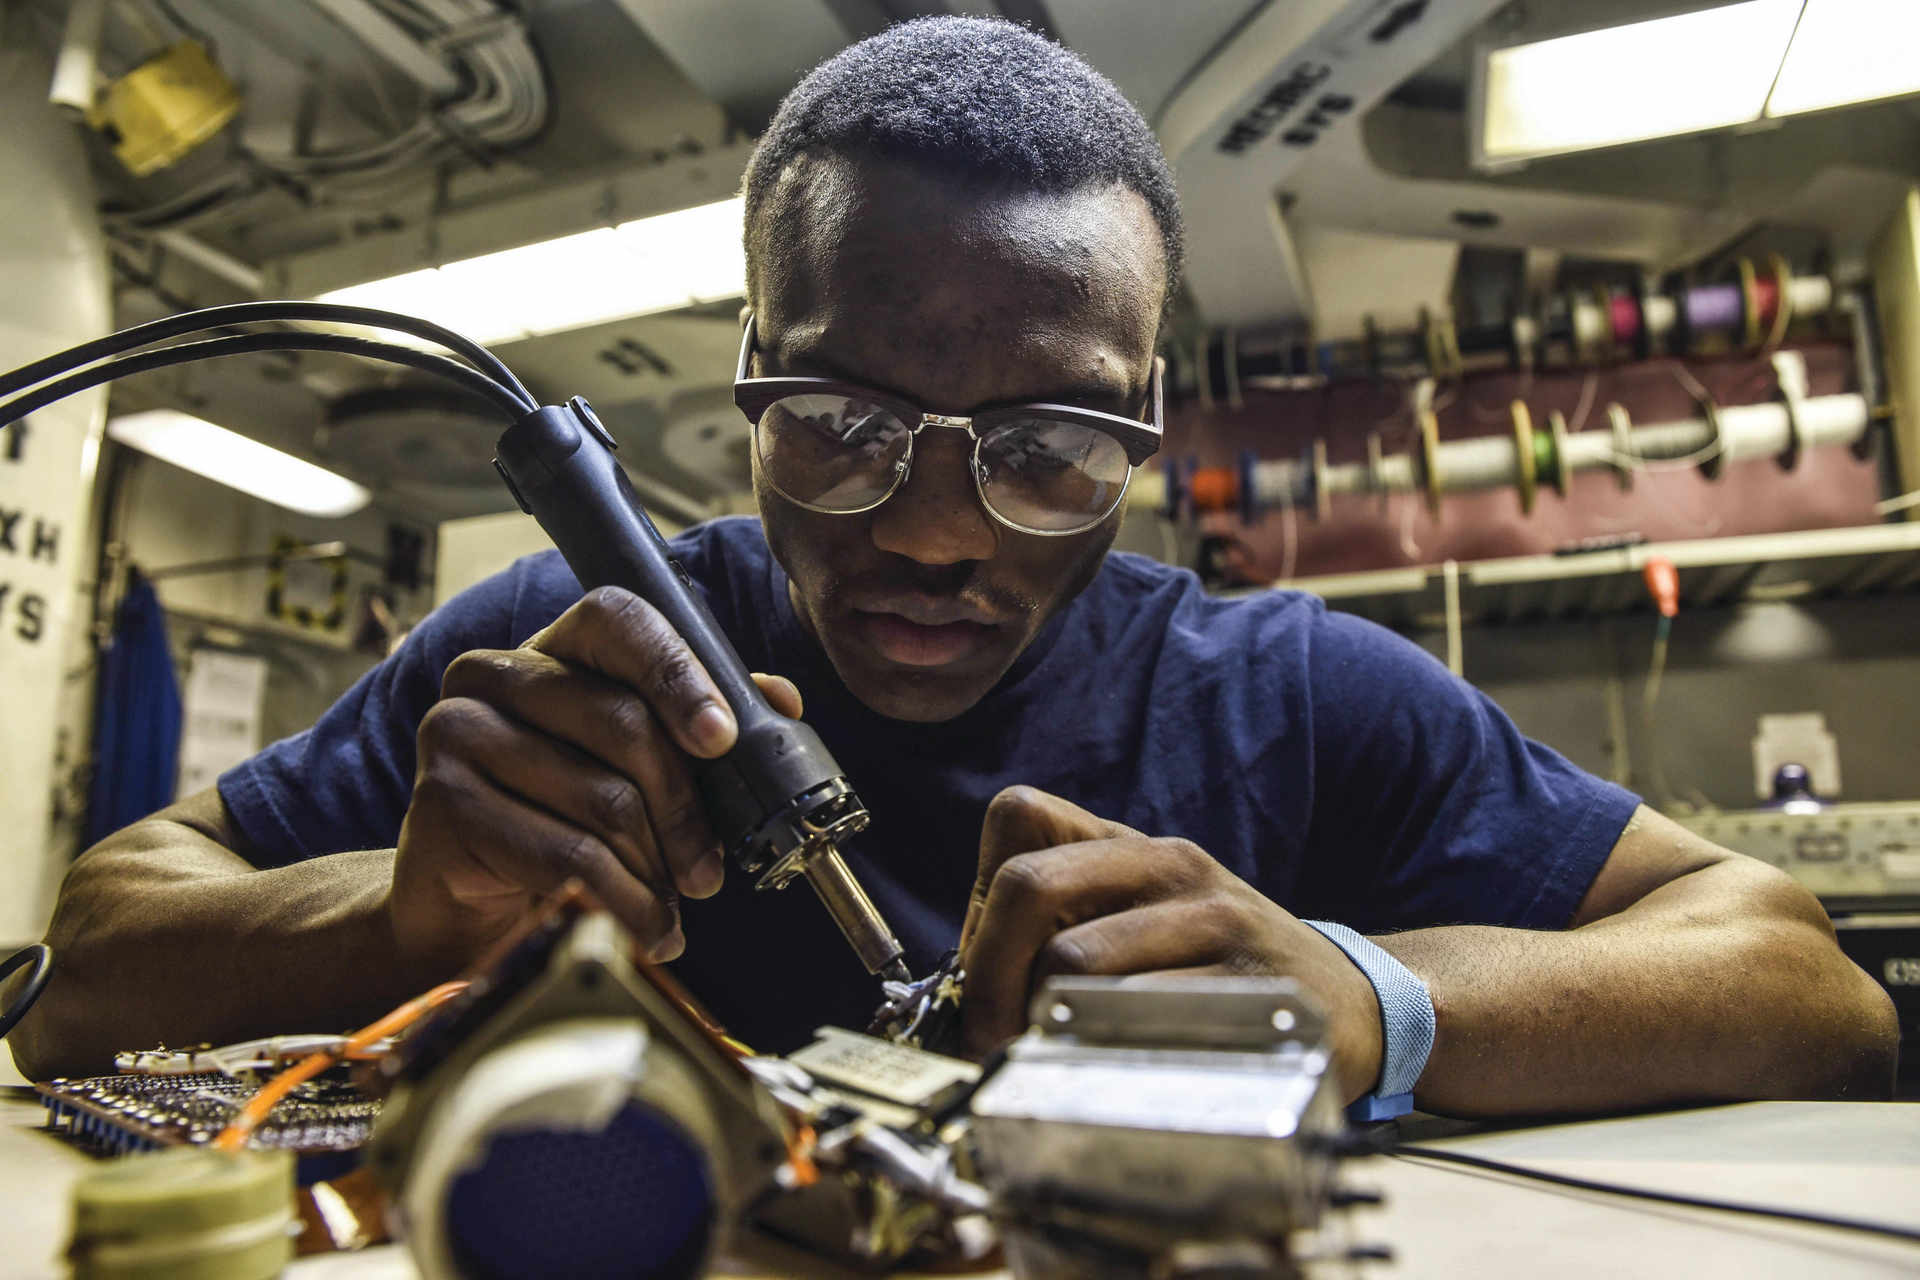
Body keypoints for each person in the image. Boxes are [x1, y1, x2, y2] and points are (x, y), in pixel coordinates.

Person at [13, 17, 1896, 1113]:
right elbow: (83, 962)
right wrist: (396, 920)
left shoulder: (1297, 696)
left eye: (1049, 444)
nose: (933, 527)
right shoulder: (573, 657)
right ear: (743, 376)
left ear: (1148, 420)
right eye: (839, 414)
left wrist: (1373, 1004)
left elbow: (1809, 980)